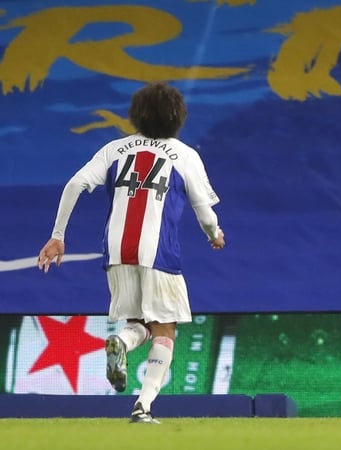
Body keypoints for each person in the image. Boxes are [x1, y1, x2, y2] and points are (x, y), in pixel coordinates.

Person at [37, 82, 226, 424]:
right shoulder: (184, 155)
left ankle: (121, 342)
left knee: (138, 321)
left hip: (116, 251)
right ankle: (144, 405)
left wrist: (57, 236)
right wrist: (215, 234)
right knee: (165, 329)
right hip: (159, 253)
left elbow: (75, 184)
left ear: (136, 115)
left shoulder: (114, 149)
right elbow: (205, 212)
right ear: (177, 117)